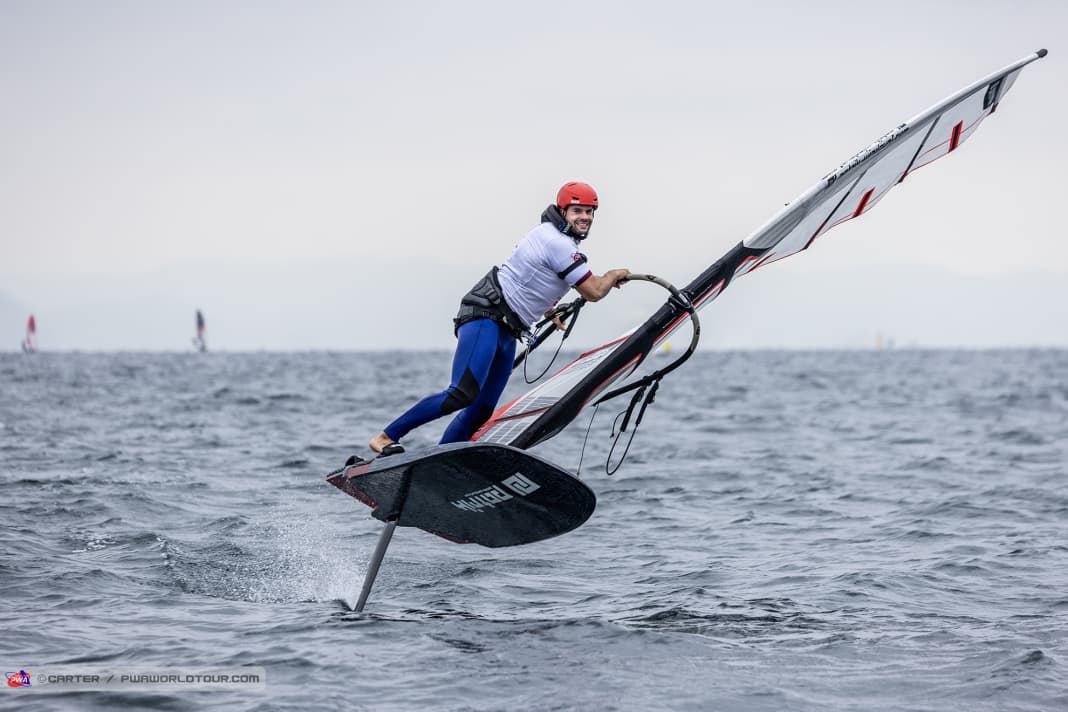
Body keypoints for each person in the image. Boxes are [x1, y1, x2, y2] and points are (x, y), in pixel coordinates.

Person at [368, 181, 631, 455]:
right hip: (486, 315)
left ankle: (439, 462)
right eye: (578, 210)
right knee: (462, 393)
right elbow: (593, 291)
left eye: (590, 212)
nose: (585, 217)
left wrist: (550, 310)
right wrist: (612, 275)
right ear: (562, 211)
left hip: (507, 329)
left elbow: (529, 278)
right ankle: (386, 437)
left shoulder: (552, 238)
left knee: (481, 410)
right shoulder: (557, 242)